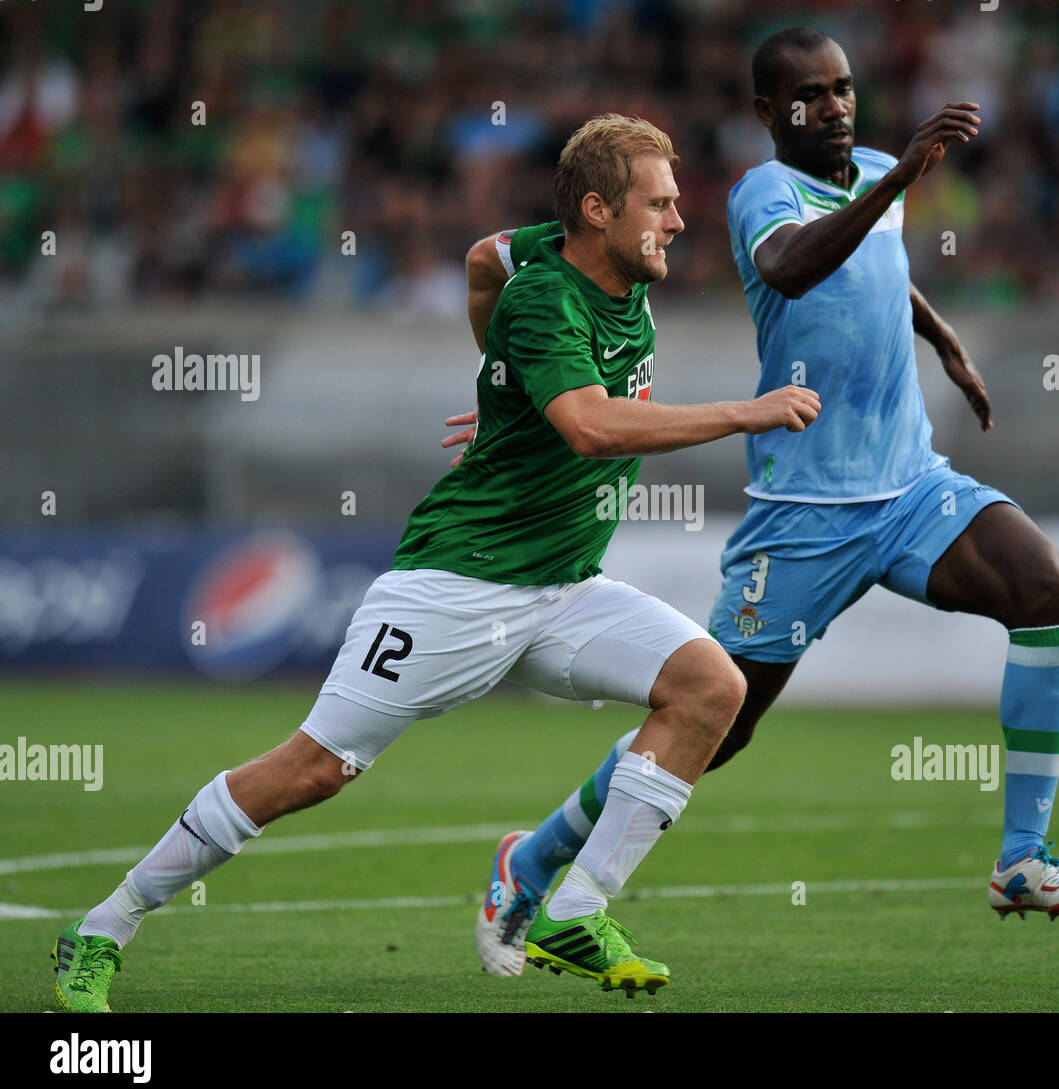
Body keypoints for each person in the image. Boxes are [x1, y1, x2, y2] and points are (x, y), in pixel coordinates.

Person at [49, 113, 821, 1010]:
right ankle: (102, 926)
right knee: (312, 769)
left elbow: (480, 260)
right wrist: (742, 411)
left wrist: (502, 386)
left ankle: (573, 907)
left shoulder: (570, 257)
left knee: (712, 690)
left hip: (563, 587)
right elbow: (589, 426)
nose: (679, 222)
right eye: (661, 204)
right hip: (457, 581)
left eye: (678, 203)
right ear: (600, 210)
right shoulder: (551, 299)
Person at [458, 28, 1059, 979]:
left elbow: (883, 264)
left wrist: (944, 339)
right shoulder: (766, 193)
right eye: (811, 95)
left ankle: (1020, 859)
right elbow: (794, 266)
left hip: (913, 485)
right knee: (716, 726)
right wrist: (896, 184)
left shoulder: (878, 174)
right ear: (770, 113)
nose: (836, 107)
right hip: (805, 516)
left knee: (1046, 589)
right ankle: (537, 857)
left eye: (844, 89)